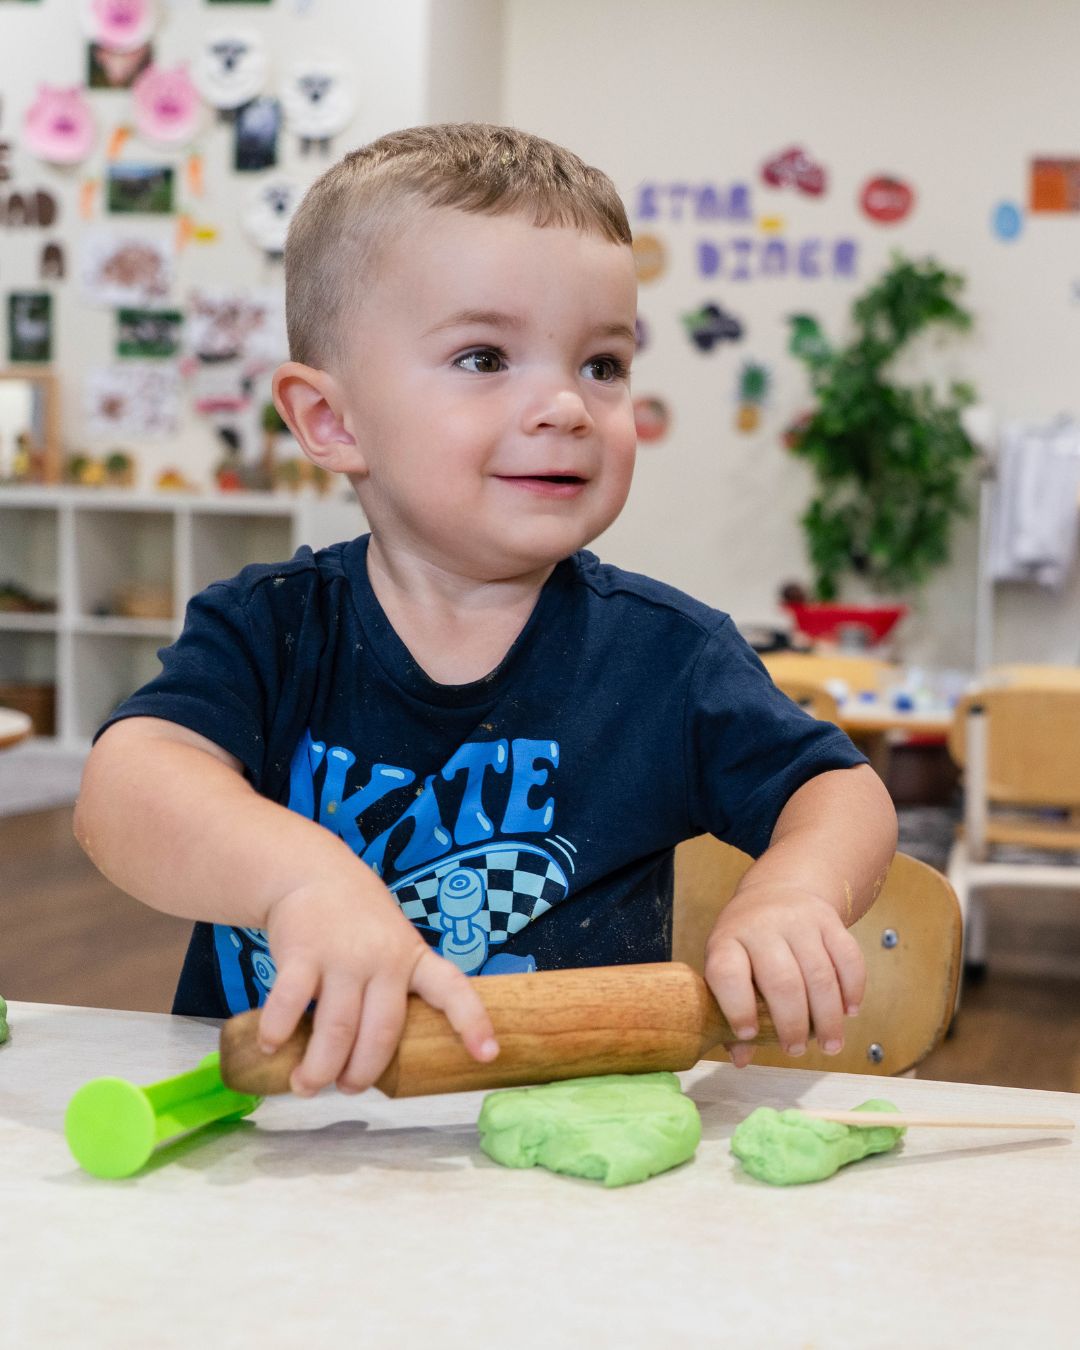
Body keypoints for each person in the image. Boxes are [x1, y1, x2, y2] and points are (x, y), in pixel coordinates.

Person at [75, 124, 897, 1098]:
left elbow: (839, 791)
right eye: (483, 358)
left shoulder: (667, 657)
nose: (568, 407)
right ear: (331, 421)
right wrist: (301, 881)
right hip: (277, 1140)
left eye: (602, 364)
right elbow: (124, 790)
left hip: (561, 1155)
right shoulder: (270, 628)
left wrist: (797, 889)